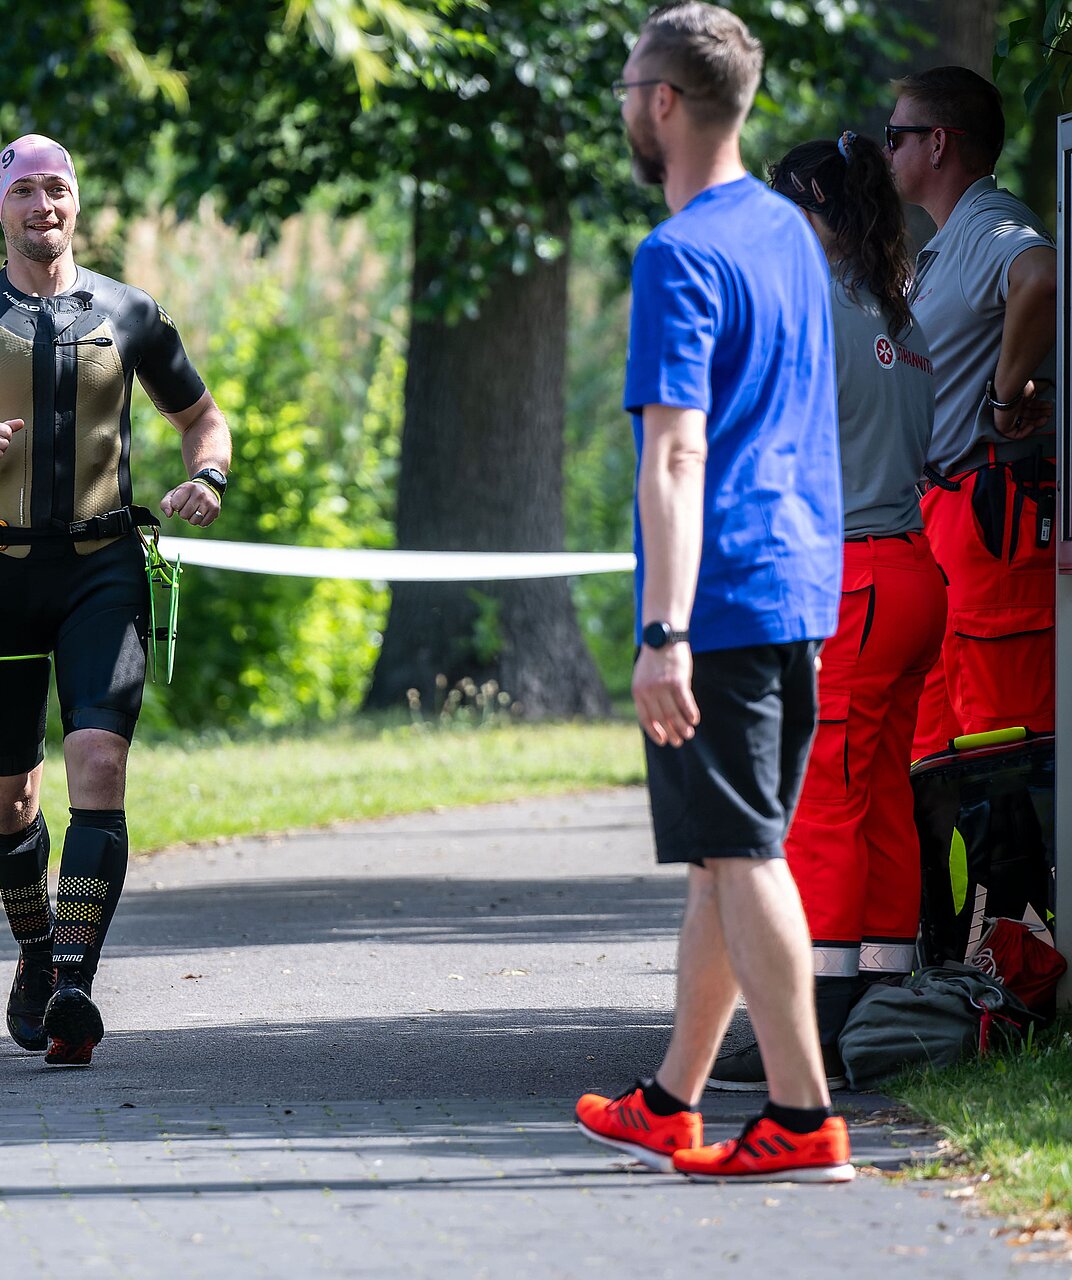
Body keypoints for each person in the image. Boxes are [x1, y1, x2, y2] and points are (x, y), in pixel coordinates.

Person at [0, 133, 231, 1067]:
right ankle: (34, 951)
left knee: (98, 765)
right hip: (2, 578)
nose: (44, 206)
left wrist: (210, 476)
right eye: (25, 191)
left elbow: (199, 416)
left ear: (78, 202)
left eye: (58, 188)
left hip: (105, 569)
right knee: (10, 796)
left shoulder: (130, 311)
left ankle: (73, 985)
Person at [572, 2, 853, 1183]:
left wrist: (663, 632)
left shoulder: (677, 254)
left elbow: (676, 452)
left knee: (742, 853)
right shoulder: (786, 230)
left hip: (721, 596)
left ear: (666, 104)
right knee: (721, 855)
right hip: (799, 579)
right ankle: (672, 1098)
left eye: (633, 85)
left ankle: (801, 1116)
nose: (626, 104)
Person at [702, 133, 946, 1093]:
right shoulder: (900, 316)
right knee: (881, 790)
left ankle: (814, 1017)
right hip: (910, 572)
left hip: (844, 578)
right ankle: (885, 998)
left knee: (824, 805)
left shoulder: (804, 310)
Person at [888, 67, 1057, 761]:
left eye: (895, 136)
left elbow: (1041, 275)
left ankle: (1014, 877)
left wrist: (1003, 392)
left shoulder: (991, 222)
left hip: (992, 511)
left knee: (1002, 753)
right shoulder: (950, 241)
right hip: (950, 518)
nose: (885, 151)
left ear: (937, 145)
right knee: (940, 755)